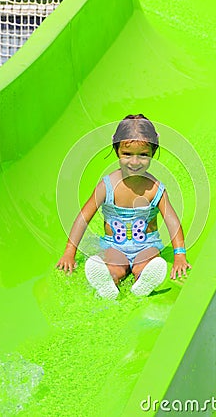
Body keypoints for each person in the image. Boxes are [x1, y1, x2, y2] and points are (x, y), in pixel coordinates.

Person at [56, 114, 191, 299]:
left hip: (146, 245)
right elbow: (83, 217)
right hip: (115, 246)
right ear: (116, 150)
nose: (134, 162)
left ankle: (143, 280)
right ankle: (109, 282)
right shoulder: (107, 186)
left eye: (143, 155)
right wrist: (69, 252)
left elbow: (172, 222)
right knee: (114, 264)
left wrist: (180, 255)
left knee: (149, 260)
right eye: (127, 154)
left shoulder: (155, 188)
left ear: (153, 151)